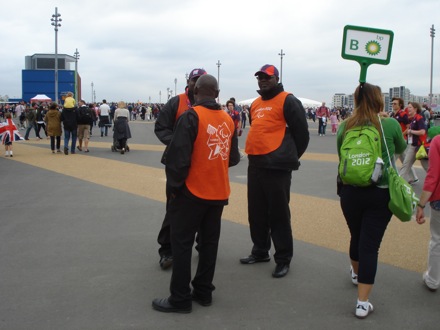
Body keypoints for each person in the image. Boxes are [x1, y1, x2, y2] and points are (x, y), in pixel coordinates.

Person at [152, 74, 240, 313]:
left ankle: (180, 298)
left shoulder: (191, 116)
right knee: (209, 244)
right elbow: (233, 158)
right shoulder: (228, 119)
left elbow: (178, 160)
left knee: (181, 244)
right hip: (219, 192)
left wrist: (174, 190)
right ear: (218, 93)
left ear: (196, 91)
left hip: (192, 192)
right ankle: (203, 291)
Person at [337, 83, 407, 319]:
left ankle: (356, 274)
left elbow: (341, 154)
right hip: (380, 191)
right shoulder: (389, 123)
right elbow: (401, 147)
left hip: (349, 190)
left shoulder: (346, 125)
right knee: (370, 245)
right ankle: (362, 302)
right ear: (379, 101)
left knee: (356, 236)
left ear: (356, 100)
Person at [240, 64, 309, 278]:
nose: (262, 80)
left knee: (278, 214)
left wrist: (288, 156)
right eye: (260, 77)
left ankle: (283, 258)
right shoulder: (255, 104)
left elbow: (302, 134)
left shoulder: (288, 100)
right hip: (256, 164)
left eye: (267, 77)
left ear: (277, 79)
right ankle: (260, 250)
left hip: (278, 167)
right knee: (256, 212)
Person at [154, 68, 207, 270]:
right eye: (195, 79)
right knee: (174, 208)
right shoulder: (176, 102)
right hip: (177, 165)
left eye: (201, 79)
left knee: (204, 207)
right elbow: (161, 127)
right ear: (189, 82)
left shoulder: (211, 105)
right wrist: (178, 144)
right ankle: (166, 250)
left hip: (203, 166)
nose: (197, 83)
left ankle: (203, 245)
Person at [416, 135, 440, 292]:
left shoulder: (437, 141)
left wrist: (421, 204)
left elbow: (433, 175)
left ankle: (433, 279)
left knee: (437, 239)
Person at [390, 97, 419, 183]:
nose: (393, 105)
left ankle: (393, 178)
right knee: (405, 160)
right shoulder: (392, 114)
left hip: (401, 140)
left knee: (392, 159)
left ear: (400, 105)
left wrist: (401, 135)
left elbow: (408, 127)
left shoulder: (403, 115)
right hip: (395, 140)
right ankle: (414, 177)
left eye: (395, 104)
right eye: (392, 103)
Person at [399, 102, 426, 184]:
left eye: (410, 107)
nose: (408, 109)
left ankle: (398, 182)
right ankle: (400, 182)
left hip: (418, 146)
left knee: (426, 166)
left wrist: (411, 131)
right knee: (406, 164)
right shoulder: (413, 119)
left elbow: (422, 132)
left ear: (415, 109)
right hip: (413, 146)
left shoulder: (419, 118)